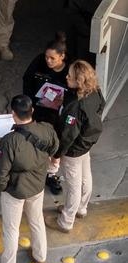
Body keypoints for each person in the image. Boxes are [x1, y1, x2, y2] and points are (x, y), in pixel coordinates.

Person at [0, 95, 59, 263]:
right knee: (36, 220)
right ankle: (40, 257)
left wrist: (2, 188)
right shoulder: (46, 129)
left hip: (15, 191)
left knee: (11, 229)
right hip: (37, 186)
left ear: (13, 114)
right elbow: (55, 148)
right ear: (32, 111)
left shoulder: (9, 141)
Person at [45, 60, 104, 233]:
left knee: (73, 186)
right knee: (86, 176)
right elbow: (101, 107)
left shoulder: (75, 107)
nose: (66, 76)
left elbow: (67, 136)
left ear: (79, 82)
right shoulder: (95, 92)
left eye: (69, 76)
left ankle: (65, 221)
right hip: (86, 143)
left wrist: (56, 155)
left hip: (73, 150)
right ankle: (81, 208)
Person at [23, 32, 71, 195]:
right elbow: (27, 80)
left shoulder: (70, 70)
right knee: (35, 141)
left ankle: (51, 173)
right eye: (46, 57)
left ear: (62, 56)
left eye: (52, 58)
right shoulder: (39, 62)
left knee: (56, 144)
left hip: (58, 114)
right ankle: (34, 170)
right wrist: (29, 104)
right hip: (38, 110)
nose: (48, 61)